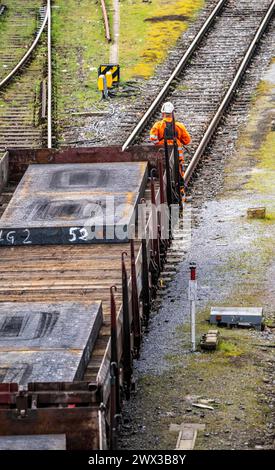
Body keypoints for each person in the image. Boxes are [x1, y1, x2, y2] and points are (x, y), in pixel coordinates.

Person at [149, 101, 191, 182]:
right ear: (172, 113)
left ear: (162, 113)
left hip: (162, 154)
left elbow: (153, 138)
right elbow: (187, 141)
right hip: (177, 156)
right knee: (178, 174)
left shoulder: (158, 125)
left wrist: (159, 143)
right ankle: (181, 192)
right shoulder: (179, 126)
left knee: (162, 172)